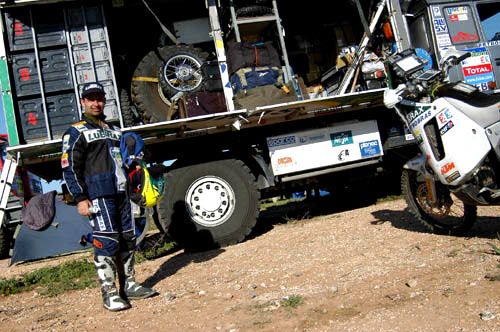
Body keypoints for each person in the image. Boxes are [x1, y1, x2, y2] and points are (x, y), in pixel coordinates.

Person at [61, 82, 158, 311]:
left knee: (128, 237)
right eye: (91, 99)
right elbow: (69, 167)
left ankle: (130, 285)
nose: (96, 103)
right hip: (98, 194)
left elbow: (125, 160)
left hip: (122, 192)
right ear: (83, 102)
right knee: (106, 240)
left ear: (105, 100)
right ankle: (109, 293)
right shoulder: (76, 131)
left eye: (100, 98)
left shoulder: (115, 129)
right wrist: (80, 198)